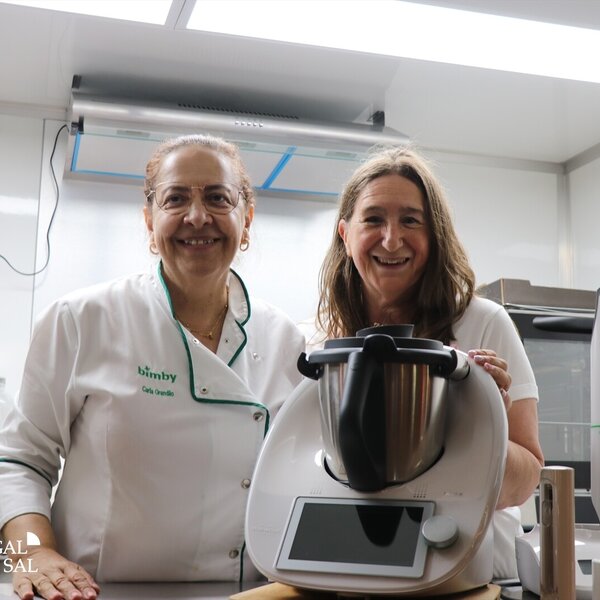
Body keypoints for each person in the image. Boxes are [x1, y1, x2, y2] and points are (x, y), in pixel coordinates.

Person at [0, 134, 305, 600]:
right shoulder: (81, 319)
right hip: (91, 593)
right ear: (149, 220)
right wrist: (32, 556)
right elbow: (17, 462)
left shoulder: (284, 339)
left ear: (246, 220)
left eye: (218, 198)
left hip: (239, 594)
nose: (197, 216)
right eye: (175, 198)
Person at [313, 145, 544, 579]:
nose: (391, 239)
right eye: (373, 219)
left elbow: (526, 479)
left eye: (411, 221)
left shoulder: (484, 323)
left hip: (469, 573)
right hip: (351, 563)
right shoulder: (320, 343)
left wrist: (486, 420)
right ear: (345, 234)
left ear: (435, 235)